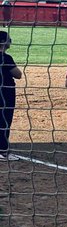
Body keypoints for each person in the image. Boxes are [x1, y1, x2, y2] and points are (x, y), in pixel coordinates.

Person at [0, 30, 20, 159]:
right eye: (8, 39)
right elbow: (18, 74)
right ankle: (3, 151)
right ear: (2, 42)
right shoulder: (5, 58)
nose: (10, 41)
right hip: (5, 92)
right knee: (5, 121)